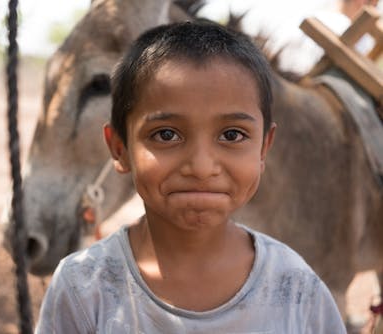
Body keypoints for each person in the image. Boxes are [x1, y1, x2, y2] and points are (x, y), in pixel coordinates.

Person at [35, 21, 346, 333]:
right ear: (120, 149)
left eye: (232, 134)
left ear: (263, 149)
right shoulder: (83, 288)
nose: (200, 166)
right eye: (167, 134)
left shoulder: (296, 289)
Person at [278, 0, 380, 75]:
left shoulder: (313, 16)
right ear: (360, 2)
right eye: (375, 6)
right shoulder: (363, 39)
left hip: (284, 74)